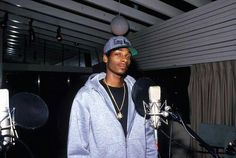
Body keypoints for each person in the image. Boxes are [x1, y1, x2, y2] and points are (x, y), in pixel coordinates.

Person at [67, 36, 158, 158]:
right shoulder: (86, 96)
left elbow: (149, 137)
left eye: (127, 55)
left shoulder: (138, 92)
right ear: (105, 58)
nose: (124, 59)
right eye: (118, 54)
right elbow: (77, 148)